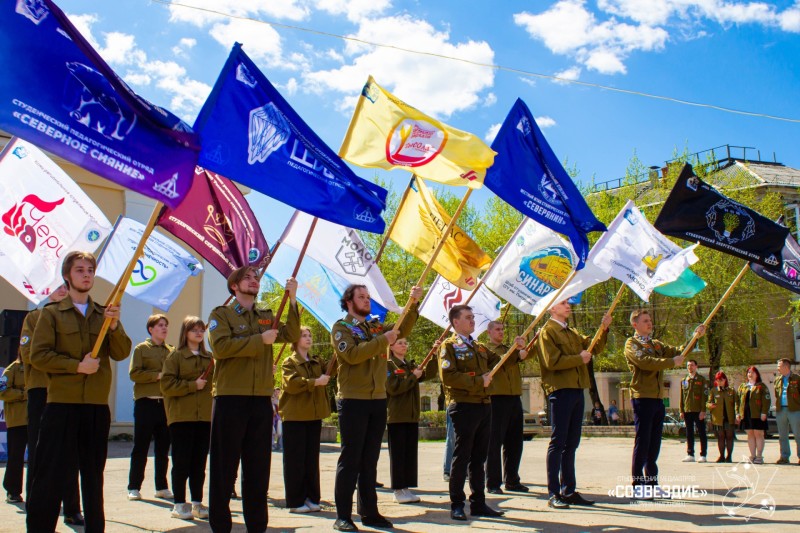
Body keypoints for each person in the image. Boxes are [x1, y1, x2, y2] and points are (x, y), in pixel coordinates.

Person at [27, 251, 132, 532]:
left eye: (90, 269)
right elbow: (38, 356)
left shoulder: (104, 313)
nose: (86, 274)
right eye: (79, 270)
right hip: (62, 405)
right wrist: (77, 366)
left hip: (96, 408)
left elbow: (122, 353)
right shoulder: (51, 314)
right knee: (50, 475)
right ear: (67, 276)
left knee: (93, 477)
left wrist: (115, 325)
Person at [207, 267, 300, 533]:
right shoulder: (221, 314)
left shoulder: (266, 316)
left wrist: (292, 300)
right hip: (230, 398)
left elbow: (291, 334)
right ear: (234, 286)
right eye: (247, 278)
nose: (254, 281)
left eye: (256, 278)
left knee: (258, 469)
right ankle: (221, 526)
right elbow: (221, 348)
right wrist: (259, 340)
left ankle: (257, 526)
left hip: (260, 400)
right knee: (224, 468)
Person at [330, 283, 422, 532]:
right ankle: (343, 516)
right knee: (350, 459)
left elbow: (402, 327)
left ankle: (369, 512)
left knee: (370, 460)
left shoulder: (375, 327)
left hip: (378, 399)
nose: (367, 300)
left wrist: (413, 303)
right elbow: (351, 355)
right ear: (349, 302)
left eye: (368, 296)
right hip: (353, 399)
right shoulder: (341, 328)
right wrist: (383, 340)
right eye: (361, 296)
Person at [537, 299, 611, 509]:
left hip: (577, 389)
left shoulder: (571, 332)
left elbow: (592, 347)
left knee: (571, 444)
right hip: (560, 390)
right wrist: (579, 358)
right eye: (562, 303)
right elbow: (552, 361)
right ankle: (553, 493)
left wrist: (604, 328)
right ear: (552, 308)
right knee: (558, 443)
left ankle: (568, 489)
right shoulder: (547, 331)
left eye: (568, 303)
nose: (568, 305)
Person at [18, 284, 83, 524]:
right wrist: (66, 363)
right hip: (42, 389)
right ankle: (37, 507)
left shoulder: (77, 317)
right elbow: (29, 354)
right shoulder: (35, 317)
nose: (62, 290)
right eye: (57, 286)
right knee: (40, 450)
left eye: (65, 287)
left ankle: (72, 509)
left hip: (69, 392)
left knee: (71, 451)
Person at [624, 309, 704, 499]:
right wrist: (670, 362)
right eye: (645, 321)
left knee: (654, 443)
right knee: (642, 442)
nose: (649, 323)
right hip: (642, 396)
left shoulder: (656, 344)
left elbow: (679, 352)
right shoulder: (631, 344)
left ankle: (652, 482)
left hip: (657, 398)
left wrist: (694, 337)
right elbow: (645, 362)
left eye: (650, 320)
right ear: (635, 324)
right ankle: (638, 484)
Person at [440, 304, 507, 521]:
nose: (472, 321)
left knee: (479, 458)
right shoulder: (449, 346)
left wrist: (514, 348)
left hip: (484, 404)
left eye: (472, 317)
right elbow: (448, 377)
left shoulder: (478, 346)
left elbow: (498, 360)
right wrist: (479, 381)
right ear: (455, 322)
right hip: (464, 405)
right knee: (462, 456)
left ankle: (478, 502)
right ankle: (457, 504)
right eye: (468, 317)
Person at [161, 316, 213, 520]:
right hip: (182, 416)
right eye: (194, 330)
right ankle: (180, 503)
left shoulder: (210, 359)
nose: (199, 333)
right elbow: (166, 385)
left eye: (201, 330)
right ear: (186, 333)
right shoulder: (175, 357)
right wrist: (192, 385)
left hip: (204, 417)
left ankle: (198, 503)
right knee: (181, 461)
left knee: (199, 463)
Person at [278, 326, 330, 514]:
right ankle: (295, 501)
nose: (308, 338)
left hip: (313, 415)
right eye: (303, 336)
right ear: (295, 340)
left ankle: (312, 497)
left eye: (310, 335)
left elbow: (333, 371)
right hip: (295, 416)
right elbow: (291, 384)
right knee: (295, 460)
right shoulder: (289, 362)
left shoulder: (317, 361)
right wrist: (315, 382)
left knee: (311, 459)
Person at [127, 314, 173, 501]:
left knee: (163, 448)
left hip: (165, 404)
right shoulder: (141, 349)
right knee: (141, 446)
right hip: (146, 403)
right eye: (160, 325)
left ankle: (161, 486)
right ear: (151, 329)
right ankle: (134, 486)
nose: (164, 328)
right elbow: (134, 373)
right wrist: (157, 376)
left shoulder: (172, 351)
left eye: (166, 325)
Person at [386, 337, 436, 504]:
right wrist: (413, 377)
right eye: (399, 342)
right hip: (397, 415)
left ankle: (406, 487)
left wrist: (434, 356)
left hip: (411, 415)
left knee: (409, 454)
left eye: (406, 343)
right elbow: (393, 388)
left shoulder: (408, 364)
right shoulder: (389, 365)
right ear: (391, 346)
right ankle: (398, 489)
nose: (404, 345)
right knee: (398, 454)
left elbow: (428, 374)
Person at [484, 320, 529, 494]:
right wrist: (516, 351)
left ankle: (512, 479)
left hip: (514, 398)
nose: (501, 332)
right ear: (489, 332)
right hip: (497, 400)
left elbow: (524, 356)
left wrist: (521, 348)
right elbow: (501, 364)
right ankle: (493, 483)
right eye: (497, 329)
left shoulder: (507, 349)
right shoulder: (486, 350)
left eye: (503, 329)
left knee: (515, 442)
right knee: (494, 443)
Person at [0, 355, 27, 504]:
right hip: (18, 421)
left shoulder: (38, 369)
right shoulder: (13, 369)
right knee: (16, 458)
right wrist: (23, 394)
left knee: (41, 459)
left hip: (37, 420)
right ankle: (13, 491)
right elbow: (2, 391)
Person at [736, 366, 770, 464]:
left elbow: (766, 400)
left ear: (757, 374)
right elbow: (738, 401)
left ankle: (759, 456)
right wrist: (737, 413)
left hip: (758, 414)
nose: (750, 374)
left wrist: (764, 412)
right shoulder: (743, 386)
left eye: (752, 373)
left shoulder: (761, 386)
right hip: (746, 415)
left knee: (758, 434)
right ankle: (752, 455)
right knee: (750, 435)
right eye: (749, 372)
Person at [680, 359, 709, 463]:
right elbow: (682, 397)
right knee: (689, 433)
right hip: (687, 410)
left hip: (698, 410)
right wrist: (681, 410)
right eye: (688, 365)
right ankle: (690, 454)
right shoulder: (684, 380)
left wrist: (703, 410)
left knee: (701, 432)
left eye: (692, 365)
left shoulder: (701, 379)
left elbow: (704, 396)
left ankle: (703, 455)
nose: (690, 367)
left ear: (696, 366)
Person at [707, 371, 737, 463]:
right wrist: (709, 405)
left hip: (729, 417)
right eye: (717, 380)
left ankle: (729, 456)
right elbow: (708, 402)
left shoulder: (731, 391)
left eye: (721, 380)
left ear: (725, 380)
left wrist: (738, 415)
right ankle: (721, 456)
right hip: (718, 418)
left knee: (729, 437)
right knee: (720, 437)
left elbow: (736, 403)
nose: (719, 382)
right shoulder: (713, 390)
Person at [774, 359, 800, 464]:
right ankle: (784, 456)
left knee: (798, 434)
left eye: (779, 366)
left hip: (794, 409)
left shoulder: (797, 378)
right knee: (782, 435)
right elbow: (777, 395)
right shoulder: (777, 380)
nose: (778, 368)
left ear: (786, 367)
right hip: (781, 410)